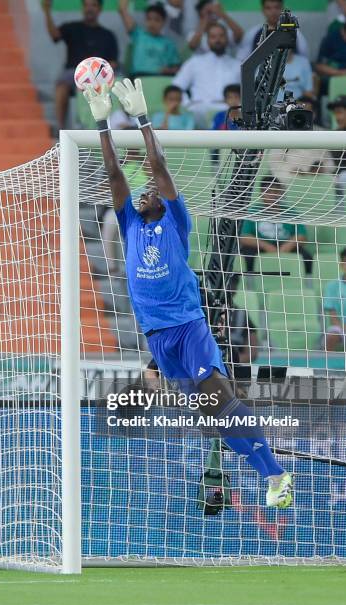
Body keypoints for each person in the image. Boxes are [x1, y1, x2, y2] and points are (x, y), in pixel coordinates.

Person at [83, 77, 293, 508]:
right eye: (141, 191)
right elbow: (114, 174)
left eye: (150, 190)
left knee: (221, 399)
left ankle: (274, 473)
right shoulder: (130, 226)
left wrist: (143, 119)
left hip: (187, 328)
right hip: (158, 339)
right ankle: (271, 475)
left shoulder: (176, 222)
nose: (143, 190)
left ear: (163, 198)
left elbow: (158, 166)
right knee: (214, 417)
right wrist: (103, 124)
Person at [42, 0, 118, 131]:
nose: (89, 8)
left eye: (93, 5)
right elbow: (55, 35)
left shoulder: (108, 35)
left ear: (99, 9)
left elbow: (113, 63)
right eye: (86, 5)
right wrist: (47, 11)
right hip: (73, 73)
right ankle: (60, 129)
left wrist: (97, 73)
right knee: (61, 86)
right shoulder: (72, 27)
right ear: (82, 8)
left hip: (98, 76)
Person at [239, 176, 313, 280]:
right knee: (246, 256)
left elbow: (302, 236)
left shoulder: (291, 212)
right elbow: (244, 237)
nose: (272, 195)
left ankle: (303, 283)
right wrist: (266, 246)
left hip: (285, 245)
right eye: (268, 192)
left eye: (275, 191)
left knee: (306, 257)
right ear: (261, 193)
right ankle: (250, 284)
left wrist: (286, 246)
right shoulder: (252, 212)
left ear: (281, 193)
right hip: (259, 246)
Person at [172, 23, 240, 128]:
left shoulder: (237, 65)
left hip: (228, 110)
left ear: (227, 38)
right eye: (213, 37)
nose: (218, 40)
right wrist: (187, 103)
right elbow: (176, 86)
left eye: (221, 36)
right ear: (207, 40)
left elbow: (248, 92)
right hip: (200, 110)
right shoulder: (195, 62)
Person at [118, 0, 181, 78]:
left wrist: (168, 70)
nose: (152, 23)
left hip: (159, 79)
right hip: (137, 78)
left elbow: (177, 69)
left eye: (157, 20)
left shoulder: (169, 43)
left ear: (164, 22)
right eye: (149, 19)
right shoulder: (138, 34)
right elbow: (122, 10)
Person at [236, 0, 309, 62]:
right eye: (268, 8)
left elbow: (303, 60)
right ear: (263, 10)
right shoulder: (253, 34)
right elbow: (242, 60)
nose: (273, 12)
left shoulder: (296, 34)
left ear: (283, 9)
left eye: (277, 7)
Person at [324, 247, 346, 352]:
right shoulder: (332, 286)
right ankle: (326, 365)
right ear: (342, 264)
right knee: (331, 336)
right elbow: (332, 314)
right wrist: (342, 327)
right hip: (339, 326)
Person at [327, 95, 346, 197]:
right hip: (336, 182)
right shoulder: (334, 135)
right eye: (335, 113)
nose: (337, 117)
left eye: (340, 112)